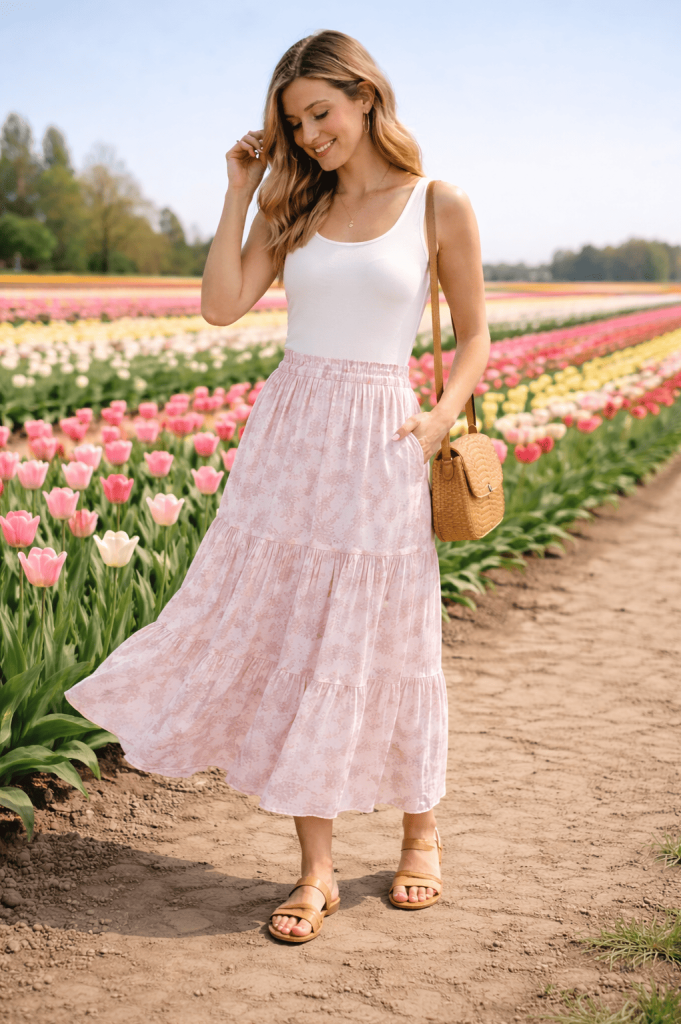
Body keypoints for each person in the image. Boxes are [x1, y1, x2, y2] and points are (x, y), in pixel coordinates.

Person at [65, 29, 490, 944]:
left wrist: (441, 416)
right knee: (302, 635)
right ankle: (316, 870)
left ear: (365, 98)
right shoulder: (292, 205)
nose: (309, 135)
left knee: (388, 629)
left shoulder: (436, 204)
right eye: (294, 123)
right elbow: (221, 304)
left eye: (320, 113)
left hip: (384, 437)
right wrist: (238, 193)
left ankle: (421, 836)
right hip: (290, 437)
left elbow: (474, 339)